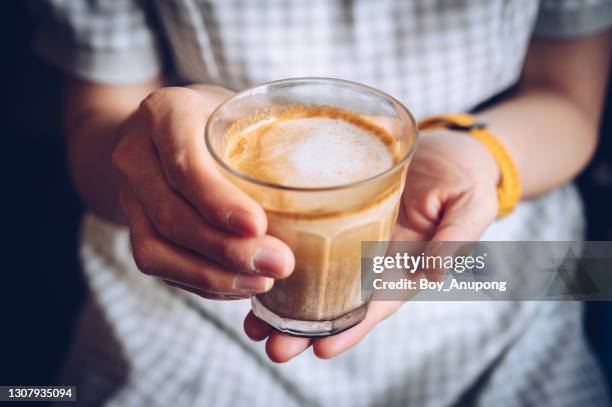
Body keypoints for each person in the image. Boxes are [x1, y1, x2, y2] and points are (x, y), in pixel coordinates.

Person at [31, 1, 612, 406]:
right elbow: (96, 124)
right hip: (194, 285)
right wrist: (157, 176)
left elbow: (570, 103)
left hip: (495, 250)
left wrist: (476, 155)